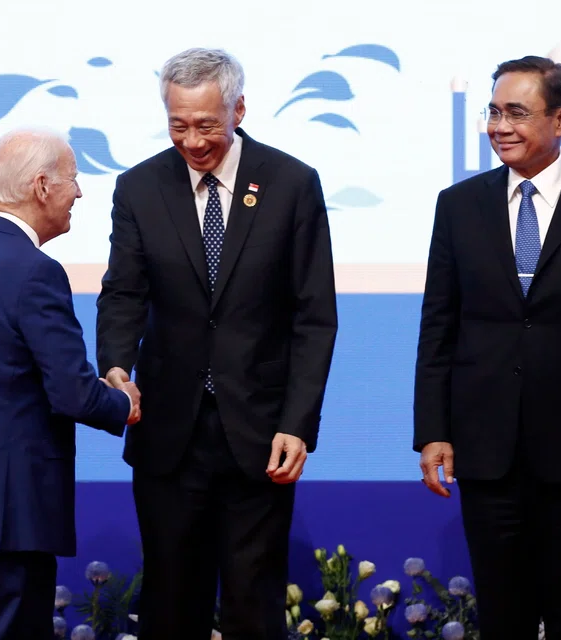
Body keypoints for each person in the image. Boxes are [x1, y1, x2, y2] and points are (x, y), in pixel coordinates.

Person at [95, 47, 338, 639]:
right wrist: (117, 367)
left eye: (207, 125)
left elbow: (314, 316)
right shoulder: (140, 187)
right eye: (179, 125)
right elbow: (123, 292)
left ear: (239, 109)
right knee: (171, 599)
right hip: (167, 431)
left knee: (253, 601)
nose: (193, 141)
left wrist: (297, 422)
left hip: (259, 432)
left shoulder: (290, 184)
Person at [413, 56, 561, 639]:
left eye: (517, 113)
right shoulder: (459, 205)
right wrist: (433, 430)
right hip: (486, 446)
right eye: (494, 112)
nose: (500, 126)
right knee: (503, 613)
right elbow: (437, 327)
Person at [0, 128, 140, 639]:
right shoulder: (34, 271)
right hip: (12, 510)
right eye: (73, 178)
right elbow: (71, 391)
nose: (80, 192)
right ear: (42, 186)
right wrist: (122, 403)